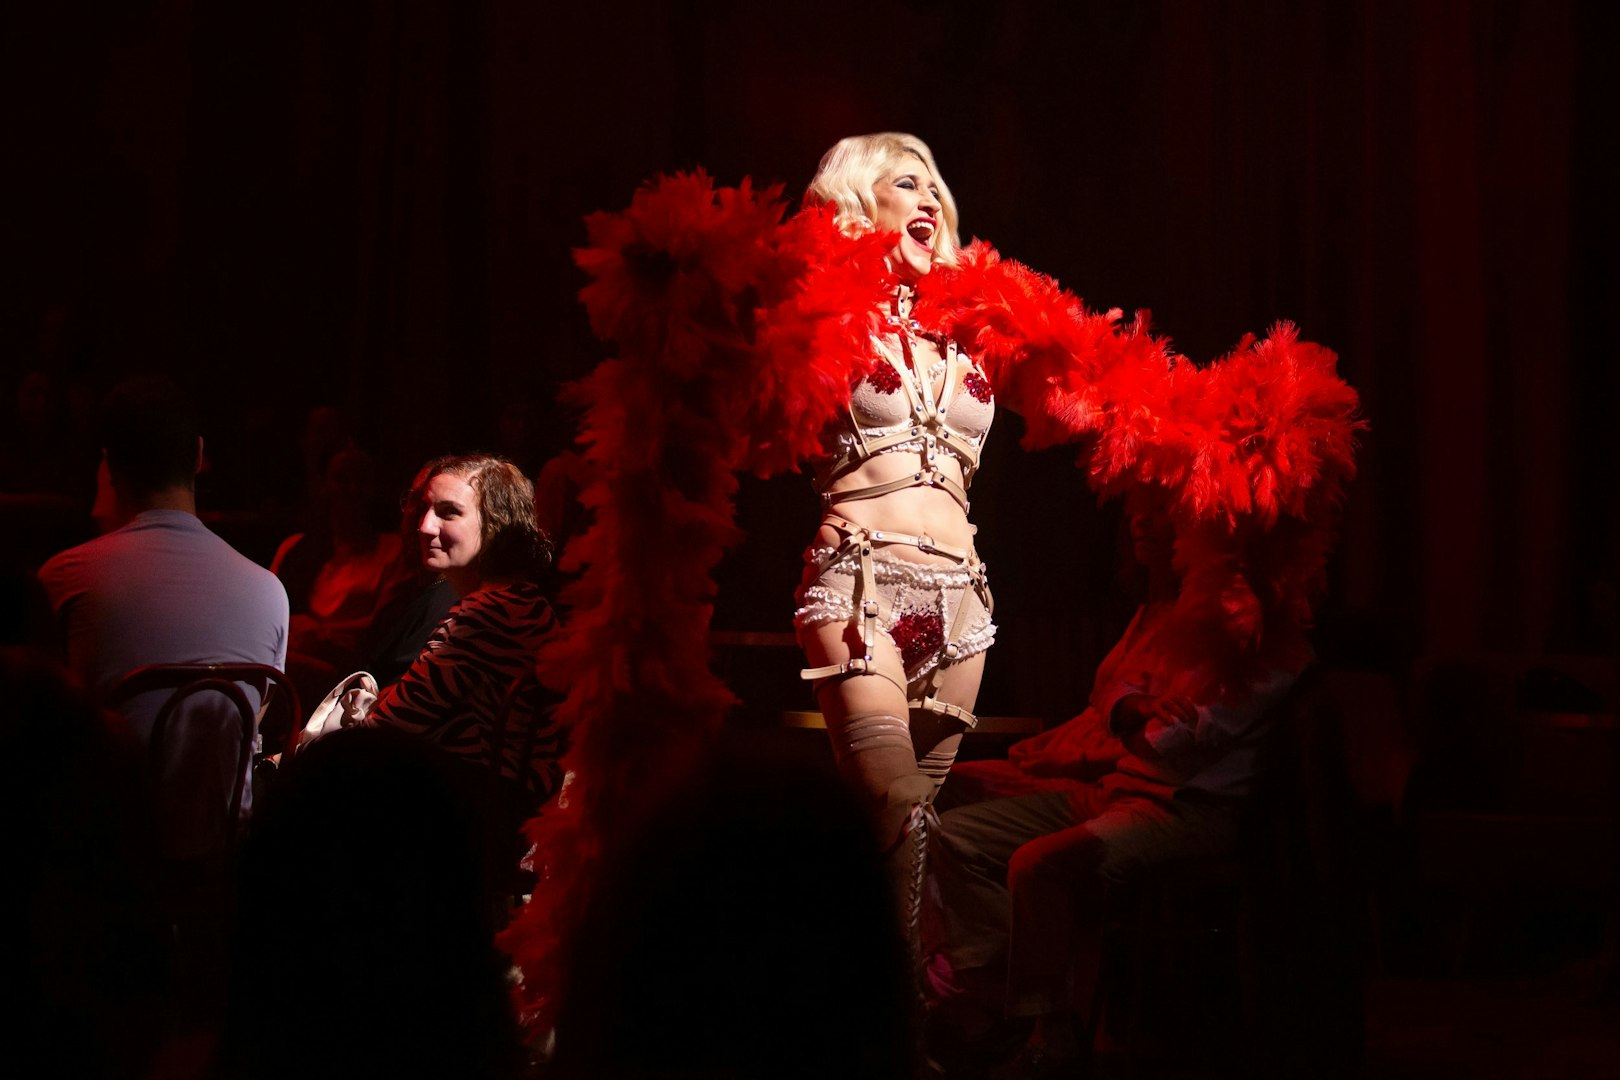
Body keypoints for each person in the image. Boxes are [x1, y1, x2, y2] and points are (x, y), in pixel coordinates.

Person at [927, 486, 1304, 1073]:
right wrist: (1133, 710)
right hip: (1125, 786)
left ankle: (1046, 1029)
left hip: (1186, 808)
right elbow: (1117, 696)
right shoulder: (1180, 615)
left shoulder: (1265, 638)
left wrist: (1134, 716)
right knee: (956, 832)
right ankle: (988, 998)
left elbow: (1179, 741)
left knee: (1037, 862)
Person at [793, 133, 998, 951]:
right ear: (857, 203)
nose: (929, 202)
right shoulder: (808, 309)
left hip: (966, 606)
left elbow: (1104, 391)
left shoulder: (980, 329)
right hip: (859, 582)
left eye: (935, 190)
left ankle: (884, 1015)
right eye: (906, 184)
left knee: (911, 839)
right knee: (895, 803)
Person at [37, 374, 289, 860]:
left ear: (108, 467)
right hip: (224, 858)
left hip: (100, 861)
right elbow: (249, 722)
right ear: (198, 455)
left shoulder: (63, 579)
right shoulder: (269, 589)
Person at [355, 453, 563, 809]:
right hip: (496, 804)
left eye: (448, 512)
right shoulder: (523, 599)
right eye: (423, 508)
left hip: (474, 817)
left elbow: (384, 731)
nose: (424, 526)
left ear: (496, 524)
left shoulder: (484, 615)